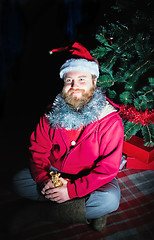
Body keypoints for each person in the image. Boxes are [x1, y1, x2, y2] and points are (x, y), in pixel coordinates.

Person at [13, 42, 124, 232]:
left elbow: (107, 168)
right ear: (63, 83)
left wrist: (72, 190)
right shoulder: (51, 114)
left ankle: (41, 212)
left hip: (91, 178)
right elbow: (38, 149)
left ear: (94, 82)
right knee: (19, 182)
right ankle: (85, 211)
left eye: (82, 79)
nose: (75, 86)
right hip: (55, 172)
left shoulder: (110, 121)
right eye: (69, 80)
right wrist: (43, 179)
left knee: (110, 199)